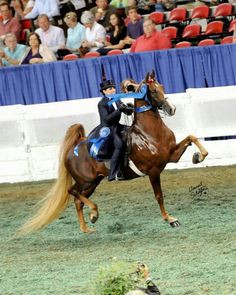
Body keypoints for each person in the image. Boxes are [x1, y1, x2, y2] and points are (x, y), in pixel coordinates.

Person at [98, 79, 133, 181]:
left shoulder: (117, 99)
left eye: (113, 88)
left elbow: (124, 111)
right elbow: (106, 119)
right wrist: (119, 110)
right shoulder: (102, 104)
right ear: (104, 91)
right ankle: (114, 173)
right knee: (119, 144)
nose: (113, 90)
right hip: (108, 129)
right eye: (110, 89)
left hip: (118, 126)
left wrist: (129, 109)